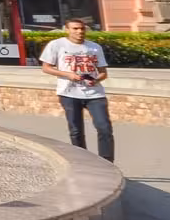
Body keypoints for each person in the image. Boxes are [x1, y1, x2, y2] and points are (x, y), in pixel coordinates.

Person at [38, 18, 113, 162]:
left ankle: (107, 162)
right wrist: (68, 75)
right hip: (69, 93)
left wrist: (96, 80)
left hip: (95, 94)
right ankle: (83, 162)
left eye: (82, 29)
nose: (79, 32)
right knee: (76, 131)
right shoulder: (57, 45)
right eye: (75, 29)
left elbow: (103, 72)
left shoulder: (94, 47)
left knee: (104, 128)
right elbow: (46, 68)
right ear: (67, 30)